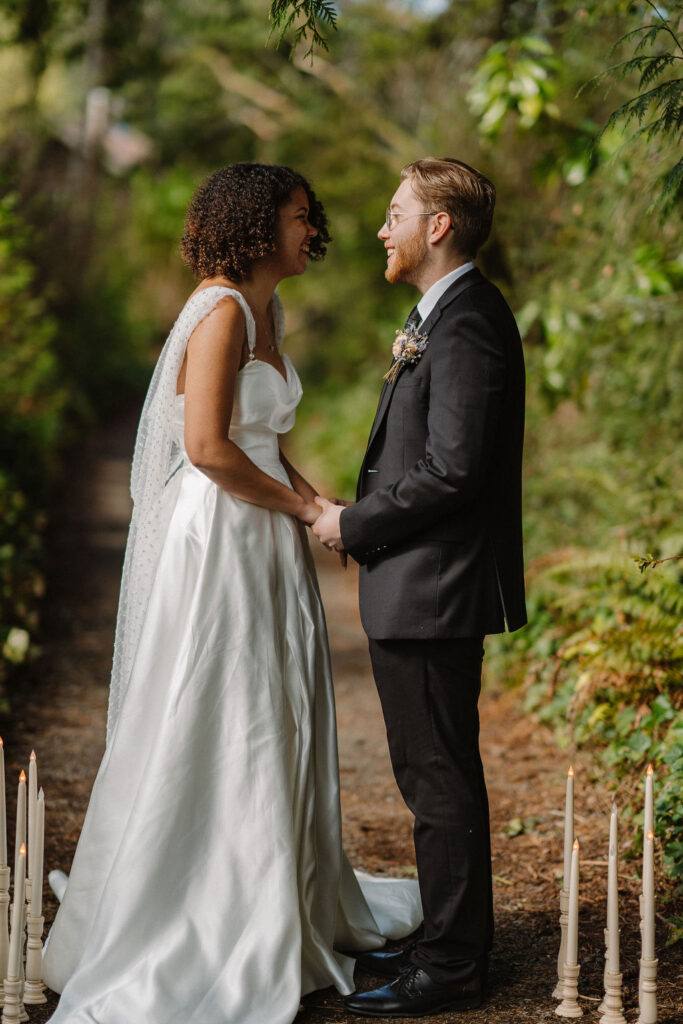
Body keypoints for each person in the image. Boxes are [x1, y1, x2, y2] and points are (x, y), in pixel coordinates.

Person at [42, 163, 421, 1024]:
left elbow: (262, 436)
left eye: (307, 213)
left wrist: (318, 504)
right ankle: (199, 907)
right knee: (218, 702)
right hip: (216, 534)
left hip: (261, 529)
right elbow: (210, 447)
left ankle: (277, 888)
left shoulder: (267, 308)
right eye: (296, 215)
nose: (309, 230)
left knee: (275, 700)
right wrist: (295, 508)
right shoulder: (217, 310)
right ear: (253, 224)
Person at [313, 157, 527, 1018]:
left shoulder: (469, 321)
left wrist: (352, 523)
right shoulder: (441, 315)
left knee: (437, 780)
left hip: (435, 588)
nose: (381, 228)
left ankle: (452, 966)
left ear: (438, 225)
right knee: (428, 774)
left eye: (395, 212)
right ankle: (447, 940)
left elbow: (452, 471)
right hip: (420, 582)